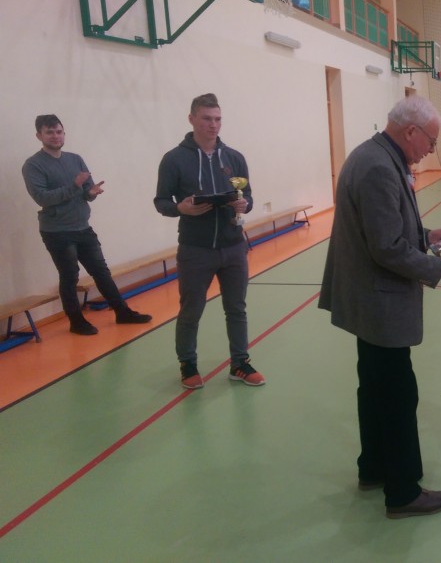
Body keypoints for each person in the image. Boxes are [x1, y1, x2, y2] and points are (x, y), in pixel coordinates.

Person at [318, 95, 441, 518]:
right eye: (431, 142)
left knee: (374, 389)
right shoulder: (379, 168)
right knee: (399, 394)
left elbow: (386, 226)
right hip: (379, 302)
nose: (430, 150)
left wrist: (425, 235)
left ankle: (374, 467)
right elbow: (385, 247)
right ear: (411, 131)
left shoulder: (374, 156)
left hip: (368, 301)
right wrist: (440, 268)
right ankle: (402, 492)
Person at [154, 93, 264, 389]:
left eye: (217, 119)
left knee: (236, 308)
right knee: (191, 310)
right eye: (206, 119)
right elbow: (161, 201)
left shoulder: (234, 157)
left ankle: (239, 363)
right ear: (192, 119)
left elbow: (247, 194)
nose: (213, 125)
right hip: (195, 249)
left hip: (233, 246)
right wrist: (180, 208)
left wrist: (245, 205)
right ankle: (188, 364)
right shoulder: (174, 159)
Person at [23, 115, 152, 335]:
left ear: (64, 133)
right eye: (49, 132)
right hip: (57, 231)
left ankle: (122, 312)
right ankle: (76, 322)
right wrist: (75, 186)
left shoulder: (75, 159)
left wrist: (91, 193)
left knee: (101, 271)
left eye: (59, 132)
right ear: (39, 136)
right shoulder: (33, 165)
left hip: (82, 226)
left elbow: (86, 191)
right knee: (70, 275)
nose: (55, 136)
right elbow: (42, 198)